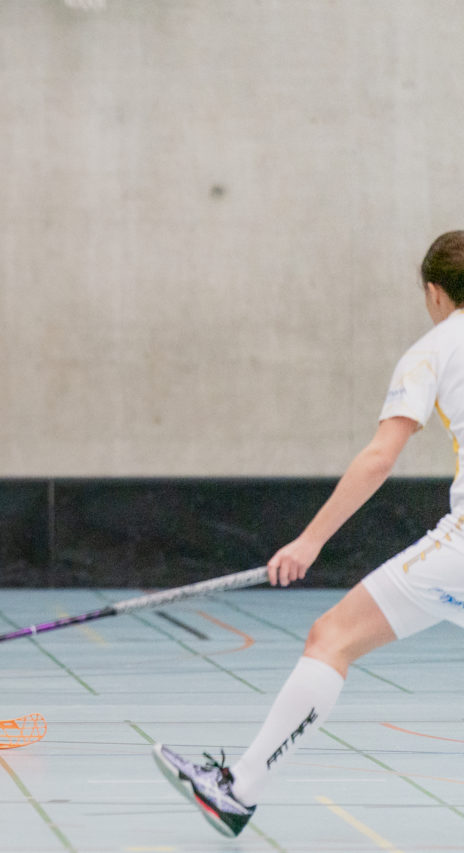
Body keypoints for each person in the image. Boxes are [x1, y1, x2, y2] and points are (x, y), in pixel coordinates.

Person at [153, 230, 464, 837]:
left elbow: (380, 456)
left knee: (332, 637)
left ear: (434, 292)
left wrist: (309, 541)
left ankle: (239, 790)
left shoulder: (434, 349)